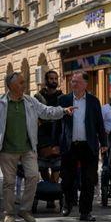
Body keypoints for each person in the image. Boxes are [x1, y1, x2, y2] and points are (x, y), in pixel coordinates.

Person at [0, 72, 75, 222]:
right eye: (21, 83)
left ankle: (25, 209)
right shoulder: (2, 104)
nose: (24, 85)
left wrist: (63, 111)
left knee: (33, 176)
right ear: (11, 86)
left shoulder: (30, 101)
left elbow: (46, 111)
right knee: (9, 182)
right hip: (7, 149)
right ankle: (8, 213)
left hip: (28, 148)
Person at [59, 71, 107, 221]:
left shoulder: (93, 101)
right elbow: (56, 123)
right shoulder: (64, 99)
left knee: (88, 179)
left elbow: (99, 123)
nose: (73, 84)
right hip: (69, 145)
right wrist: (54, 143)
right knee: (67, 179)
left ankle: (85, 212)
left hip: (88, 145)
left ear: (85, 84)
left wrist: (104, 143)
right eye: (72, 81)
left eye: (76, 82)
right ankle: (67, 203)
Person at [35, 70, 64, 209]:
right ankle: (48, 189)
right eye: (51, 78)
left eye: (55, 78)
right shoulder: (38, 96)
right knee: (43, 165)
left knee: (57, 164)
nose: (53, 81)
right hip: (43, 135)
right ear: (46, 80)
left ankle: (53, 193)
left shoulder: (62, 96)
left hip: (58, 134)